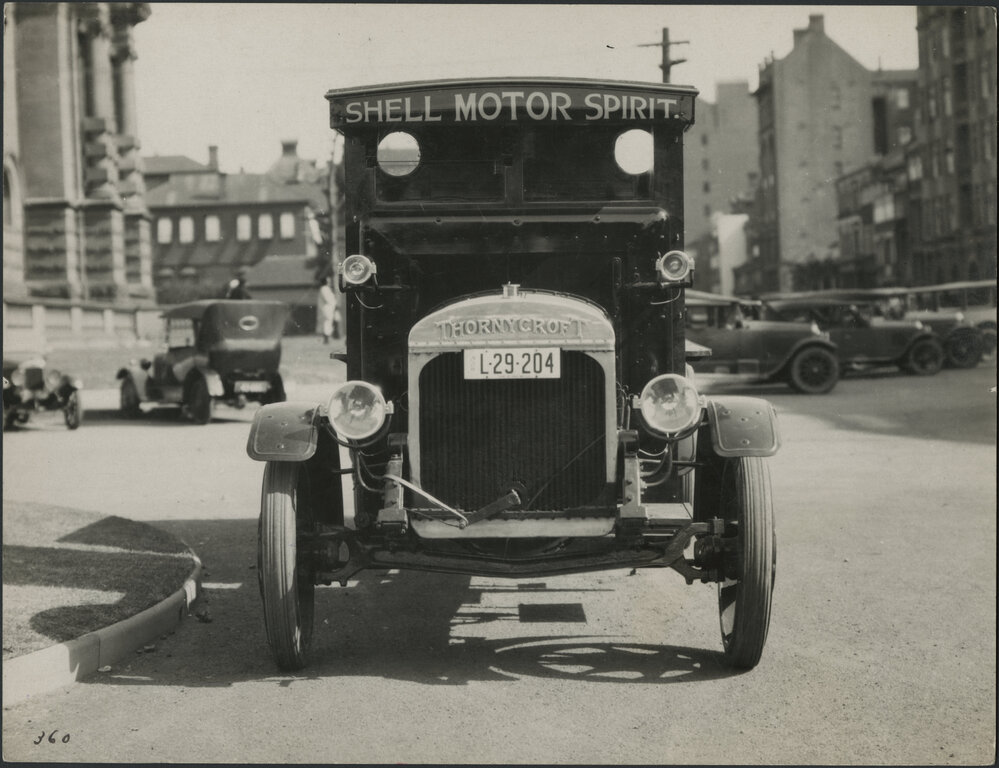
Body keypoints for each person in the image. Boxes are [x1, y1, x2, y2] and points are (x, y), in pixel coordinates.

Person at [318, 275, 339, 343]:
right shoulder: (324, 288)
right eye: (328, 280)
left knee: (333, 321)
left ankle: (333, 335)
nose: (329, 281)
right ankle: (326, 337)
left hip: (331, 307)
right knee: (328, 322)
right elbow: (328, 299)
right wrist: (334, 303)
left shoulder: (327, 288)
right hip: (327, 308)